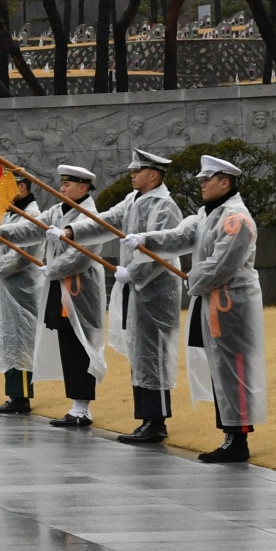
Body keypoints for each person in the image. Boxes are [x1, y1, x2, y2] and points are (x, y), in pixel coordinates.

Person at [143, 154, 265, 462]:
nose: (201, 185)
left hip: (231, 304)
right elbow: (180, 237)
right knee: (220, 370)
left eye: (206, 180)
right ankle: (229, 433)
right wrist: (143, 240)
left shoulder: (236, 218)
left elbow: (222, 265)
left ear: (225, 182)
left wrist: (192, 281)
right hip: (211, 301)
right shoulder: (207, 213)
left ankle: (238, 439)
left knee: (234, 369)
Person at [70, 150, 184, 445]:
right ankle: (146, 418)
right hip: (138, 289)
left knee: (154, 357)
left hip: (156, 292)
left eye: (138, 170)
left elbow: (160, 251)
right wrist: (73, 231)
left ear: (154, 175)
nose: (132, 174)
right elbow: (106, 221)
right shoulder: (133, 200)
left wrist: (131, 273)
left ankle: (156, 422)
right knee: (141, 356)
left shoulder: (164, 206)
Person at [37, 163, 108, 430]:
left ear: (83, 187)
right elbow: (34, 228)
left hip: (81, 290)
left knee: (81, 346)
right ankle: (76, 405)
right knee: (68, 344)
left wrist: (50, 269)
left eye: (67, 185)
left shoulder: (88, 215)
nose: (62, 188)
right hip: (60, 286)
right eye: (62, 184)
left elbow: (79, 256)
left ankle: (83, 407)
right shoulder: (58, 211)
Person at [0, 178, 46, 415]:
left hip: (22, 288)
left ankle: (21, 397)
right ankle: (13, 394)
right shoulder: (12, 213)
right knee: (9, 339)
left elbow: (23, 256)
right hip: (8, 286)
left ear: (22, 187)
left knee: (20, 341)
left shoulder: (32, 216)